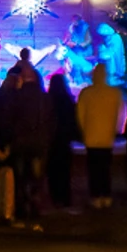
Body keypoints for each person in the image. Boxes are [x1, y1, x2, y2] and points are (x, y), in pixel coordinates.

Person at [0, 65, 50, 227]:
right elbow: (51, 122)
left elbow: (7, 120)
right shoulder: (44, 98)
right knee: (35, 178)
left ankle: (20, 209)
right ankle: (34, 209)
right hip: (38, 144)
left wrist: (8, 140)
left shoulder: (15, 97)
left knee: (19, 178)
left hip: (19, 143)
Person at [75, 63, 124, 209]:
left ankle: (95, 196)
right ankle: (106, 195)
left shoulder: (86, 93)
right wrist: (116, 131)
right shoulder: (115, 93)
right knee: (106, 169)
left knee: (93, 169)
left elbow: (80, 115)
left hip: (91, 138)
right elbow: (120, 114)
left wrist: (85, 131)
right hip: (107, 138)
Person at [45, 72, 79, 211]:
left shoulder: (48, 100)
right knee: (64, 171)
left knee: (52, 171)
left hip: (51, 140)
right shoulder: (68, 101)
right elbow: (73, 121)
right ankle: (65, 198)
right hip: (64, 140)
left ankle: (55, 198)